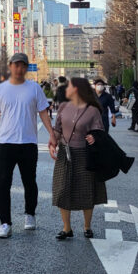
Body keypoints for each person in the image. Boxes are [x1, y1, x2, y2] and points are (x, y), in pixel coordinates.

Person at [0, 53, 55, 238]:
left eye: (23, 65)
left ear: (26, 68)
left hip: (28, 143)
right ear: (10, 66)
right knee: (3, 183)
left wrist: (52, 134)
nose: (19, 68)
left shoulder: (34, 88)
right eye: (16, 65)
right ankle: (5, 223)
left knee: (29, 181)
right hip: (6, 143)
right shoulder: (0, 89)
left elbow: (43, 112)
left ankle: (30, 214)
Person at [48, 77, 106, 240]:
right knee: (62, 190)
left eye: (70, 86)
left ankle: (87, 226)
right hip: (65, 153)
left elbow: (99, 132)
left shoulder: (92, 110)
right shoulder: (64, 107)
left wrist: (94, 138)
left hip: (85, 154)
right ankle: (67, 228)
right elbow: (58, 129)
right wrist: (53, 141)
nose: (67, 89)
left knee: (86, 190)